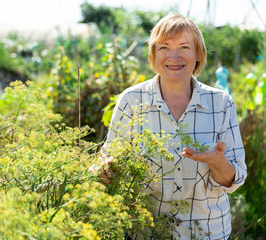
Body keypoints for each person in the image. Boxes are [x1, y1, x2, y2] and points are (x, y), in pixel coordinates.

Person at [101, 14, 247, 239]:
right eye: (164, 47)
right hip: (148, 232)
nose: (174, 56)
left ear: (198, 53)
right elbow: (109, 160)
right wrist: (103, 169)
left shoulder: (221, 103)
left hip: (208, 232)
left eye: (184, 47)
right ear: (153, 54)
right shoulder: (131, 101)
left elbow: (233, 180)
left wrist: (217, 161)